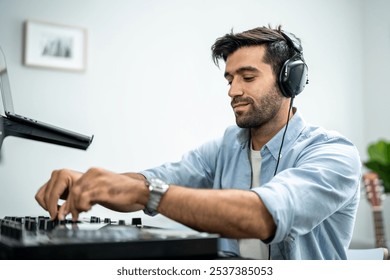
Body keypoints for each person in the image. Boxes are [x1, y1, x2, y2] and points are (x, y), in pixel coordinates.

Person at [35, 25, 361, 260]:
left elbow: (263, 216)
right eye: (230, 79)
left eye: (247, 78)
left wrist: (143, 191)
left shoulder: (332, 153)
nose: (233, 91)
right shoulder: (226, 146)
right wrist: (95, 183)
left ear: (288, 80)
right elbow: (156, 179)